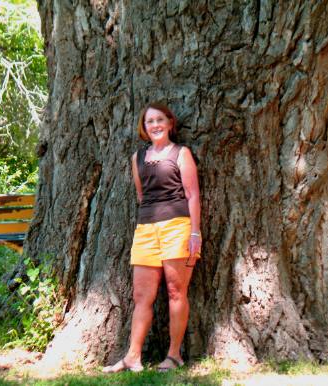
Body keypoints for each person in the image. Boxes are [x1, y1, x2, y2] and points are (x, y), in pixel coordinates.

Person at [103, 102, 201, 373]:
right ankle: (132, 356)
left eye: (160, 120)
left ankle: (173, 355)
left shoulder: (181, 153)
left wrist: (195, 232)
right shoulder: (138, 158)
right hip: (146, 229)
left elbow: (192, 194)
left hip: (177, 227)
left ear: (170, 123)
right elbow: (141, 195)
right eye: (149, 122)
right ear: (144, 129)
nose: (155, 125)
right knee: (141, 295)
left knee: (175, 291)